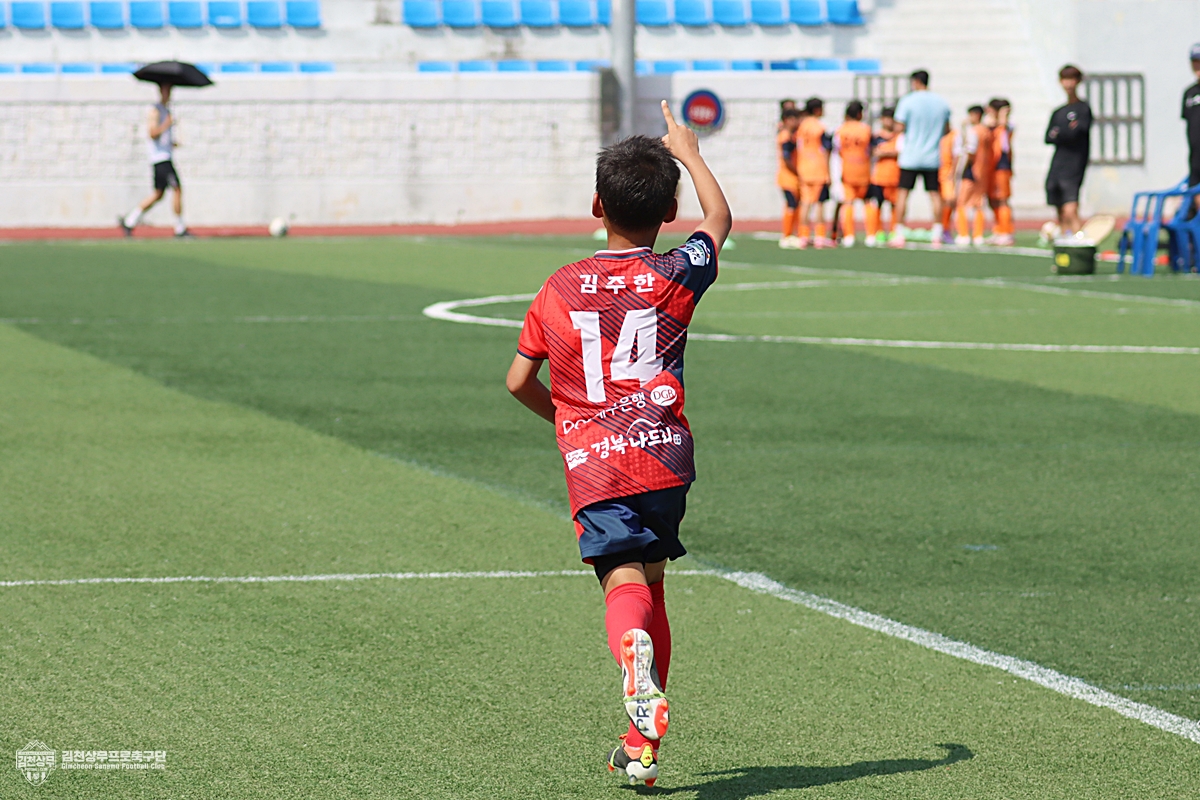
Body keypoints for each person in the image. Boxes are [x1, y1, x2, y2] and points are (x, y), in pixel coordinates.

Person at [505, 100, 731, 788]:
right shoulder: (674, 273)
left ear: (596, 204)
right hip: (665, 457)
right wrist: (689, 152)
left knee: (623, 584)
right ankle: (640, 747)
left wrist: (569, 420)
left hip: (596, 464)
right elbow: (719, 221)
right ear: (668, 213)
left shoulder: (560, 286)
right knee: (653, 583)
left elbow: (517, 381)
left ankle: (631, 659)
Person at [890, 69, 951, 248]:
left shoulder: (907, 101)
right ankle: (938, 232)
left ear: (915, 82)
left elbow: (899, 127)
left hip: (910, 156)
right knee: (934, 194)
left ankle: (898, 232)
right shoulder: (941, 102)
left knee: (903, 193)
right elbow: (947, 129)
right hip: (932, 156)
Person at [119, 82, 189, 238]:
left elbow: (161, 138)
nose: (168, 94)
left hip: (165, 156)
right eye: (166, 90)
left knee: (158, 194)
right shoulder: (156, 111)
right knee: (177, 189)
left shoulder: (166, 111)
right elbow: (152, 133)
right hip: (161, 159)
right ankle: (180, 228)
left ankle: (130, 220)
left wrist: (171, 143)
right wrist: (167, 124)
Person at [1044, 64, 1092, 236]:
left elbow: (1076, 133)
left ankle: (1079, 239)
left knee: (1070, 207)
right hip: (1058, 163)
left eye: (1072, 79)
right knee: (1059, 208)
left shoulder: (1083, 109)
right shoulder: (1058, 112)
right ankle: (1065, 240)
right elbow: (1048, 137)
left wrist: (1061, 133)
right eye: (1065, 79)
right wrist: (1066, 131)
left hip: (1075, 163)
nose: (1068, 84)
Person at [835, 100, 872, 247]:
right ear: (859, 114)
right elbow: (870, 149)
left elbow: (836, 150)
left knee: (848, 203)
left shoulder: (841, 130)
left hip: (847, 170)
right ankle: (871, 235)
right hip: (863, 170)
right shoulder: (866, 129)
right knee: (868, 202)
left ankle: (849, 235)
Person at [796, 97, 832, 248]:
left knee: (805, 203)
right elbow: (826, 150)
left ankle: (803, 236)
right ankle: (820, 236)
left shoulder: (801, 126)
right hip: (818, 169)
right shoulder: (819, 127)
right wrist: (828, 172)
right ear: (817, 110)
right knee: (819, 204)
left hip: (804, 168)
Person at [956, 105, 994, 246]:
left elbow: (970, 151)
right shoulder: (986, 131)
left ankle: (963, 234)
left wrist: (962, 168)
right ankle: (978, 235)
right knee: (979, 204)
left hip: (972, 170)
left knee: (962, 203)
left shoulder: (974, 131)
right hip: (983, 172)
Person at [866, 106, 900, 247]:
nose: (888, 121)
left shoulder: (899, 136)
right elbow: (874, 152)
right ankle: (877, 231)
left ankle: (893, 231)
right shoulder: (876, 137)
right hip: (879, 177)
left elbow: (901, 151)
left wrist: (885, 152)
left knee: (895, 206)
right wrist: (891, 152)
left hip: (895, 176)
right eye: (886, 118)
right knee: (876, 205)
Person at [988, 98, 1015, 245]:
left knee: (1002, 199)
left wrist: (1002, 115)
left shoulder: (1006, 127)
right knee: (992, 200)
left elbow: (1005, 131)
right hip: (990, 166)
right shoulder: (991, 126)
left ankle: (1007, 231)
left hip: (1001, 166)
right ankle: (998, 229)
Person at [777, 108, 802, 249]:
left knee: (795, 205)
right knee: (791, 205)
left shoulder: (792, 135)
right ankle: (786, 235)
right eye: (793, 119)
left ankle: (792, 233)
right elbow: (786, 158)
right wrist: (798, 171)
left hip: (792, 178)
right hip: (787, 177)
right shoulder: (785, 136)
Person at [936, 120, 963, 247]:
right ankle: (938, 229)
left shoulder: (954, 135)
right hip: (934, 171)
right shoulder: (935, 133)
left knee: (949, 200)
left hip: (947, 173)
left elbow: (957, 154)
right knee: (938, 201)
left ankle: (945, 228)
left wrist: (953, 172)